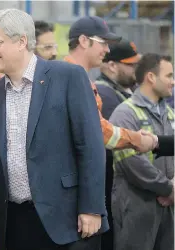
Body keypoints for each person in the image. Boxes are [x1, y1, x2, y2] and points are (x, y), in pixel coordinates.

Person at [0, 8, 108, 250]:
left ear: (22, 41)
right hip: (15, 222)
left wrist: (92, 208)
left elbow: (91, 146)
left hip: (69, 222)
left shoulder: (68, 77)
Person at [63, 16, 158, 154]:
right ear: (83, 41)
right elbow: (98, 130)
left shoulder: (74, 76)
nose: (107, 50)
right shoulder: (72, 78)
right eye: (103, 43)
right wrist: (137, 139)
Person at [109, 53, 174, 250]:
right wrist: (168, 188)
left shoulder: (170, 113)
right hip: (136, 204)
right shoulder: (124, 113)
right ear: (151, 77)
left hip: (168, 204)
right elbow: (131, 163)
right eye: (169, 75)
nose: (173, 81)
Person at [93, 38, 141, 250]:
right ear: (112, 65)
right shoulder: (106, 95)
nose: (136, 70)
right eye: (131, 65)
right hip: (110, 188)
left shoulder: (121, 92)